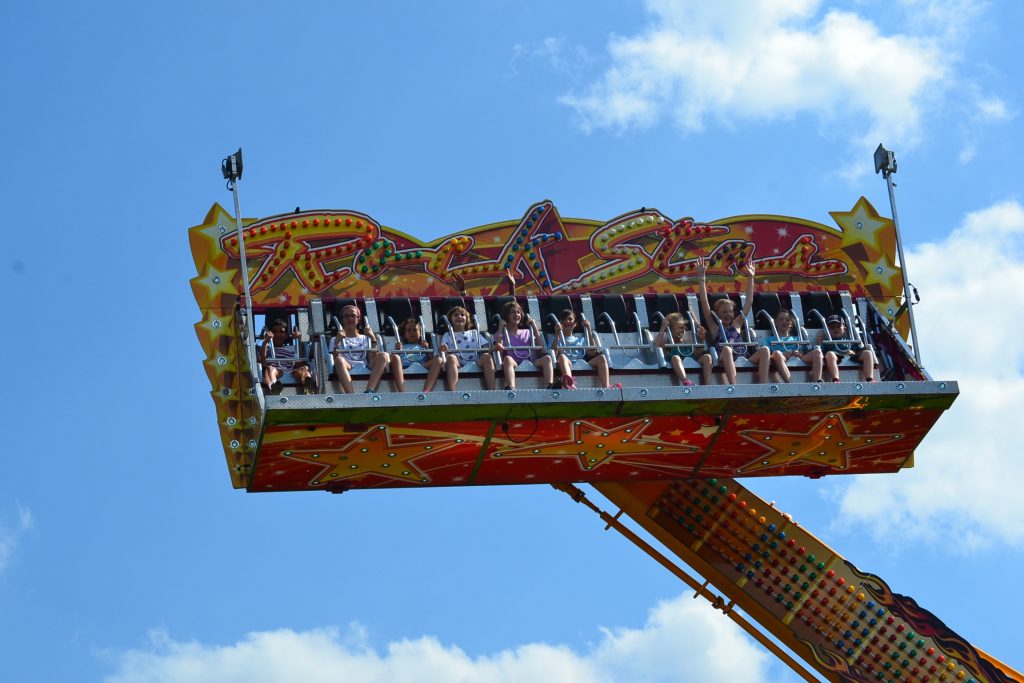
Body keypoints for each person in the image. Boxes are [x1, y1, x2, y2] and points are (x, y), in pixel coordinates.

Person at [696, 257, 771, 384]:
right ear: (718, 314)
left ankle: (763, 384)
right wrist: (701, 277)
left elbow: (749, 302)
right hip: (722, 358)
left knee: (765, 350)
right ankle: (734, 384)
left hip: (743, 357)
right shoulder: (715, 328)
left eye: (730, 311)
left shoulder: (736, 324)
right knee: (727, 349)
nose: (728, 314)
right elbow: (704, 302)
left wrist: (751, 277)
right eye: (724, 312)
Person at [494, 300, 554, 390]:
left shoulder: (527, 332)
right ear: (507, 315)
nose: (516, 315)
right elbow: (499, 348)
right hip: (514, 363)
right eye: (513, 312)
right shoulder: (501, 333)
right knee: (507, 359)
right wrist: (500, 328)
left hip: (531, 361)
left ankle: (550, 385)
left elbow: (541, 349)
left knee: (547, 358)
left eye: (518, 312)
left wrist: (533, 326)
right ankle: (511, 386)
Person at [435, 305, 496, 390]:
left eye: (462, 315)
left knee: (487, 357)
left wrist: (493, 348)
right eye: (456, 315)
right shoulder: (447, 335)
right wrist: (443, 348)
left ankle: (492, 389)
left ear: (467, 319)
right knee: (451, 357)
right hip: (458, 362)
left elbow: (486, 347)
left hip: (476, 360)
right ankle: (453, 392)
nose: (459, 317)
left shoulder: (474, 333)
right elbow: (443, 349)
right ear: (450, 320)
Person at [330, 304, 388, 393]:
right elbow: (334, 360)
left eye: (353, 316)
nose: (349, 319)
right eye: (346, 316)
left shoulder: (366, 338)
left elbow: (372, 358)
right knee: (339, 360)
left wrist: (372, 338)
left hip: (366, 364)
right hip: (347, 366)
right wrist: (337, 342)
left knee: (384, 355)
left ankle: (369, 390)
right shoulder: (335, 339)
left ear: (358, 319)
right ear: (342, 320)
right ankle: (351, 395)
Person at [550, 309, 612, 389]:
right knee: (562, 356)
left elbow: (592, 352)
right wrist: (557, 333)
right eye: (564, 320)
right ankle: (569, 382)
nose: (567, 321)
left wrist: (588, 329)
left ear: (575, 324)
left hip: (581, 362)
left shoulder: (581, 339)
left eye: (570, 319)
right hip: (566, 363)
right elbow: (554, 354)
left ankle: (606, 387)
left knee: (602, 358)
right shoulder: (554, 338)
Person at [762, 309, 823, 382]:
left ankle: (817, 381)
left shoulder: (797, 338)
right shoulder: (769, 340)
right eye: (781, 319)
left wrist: (799, 354)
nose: (784, 321)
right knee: (777, 353)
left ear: (791, 323)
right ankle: (789, 383)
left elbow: (803, 351)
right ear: (775, 322)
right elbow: (766, 356)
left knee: (817, 352)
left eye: (787, 320)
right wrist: (784, 354)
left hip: (798, 357)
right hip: (780, 358)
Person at [654, 312, 712, 386]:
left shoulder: (687, 342)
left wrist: (702, 340)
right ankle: (686, 381)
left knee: (707, 357)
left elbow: (697, 355)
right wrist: (662, 329)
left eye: (682, 328)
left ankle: (708, 384)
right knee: (675, 357)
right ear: (670, 330)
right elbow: (657, 348)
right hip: (675, 361)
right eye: (677, 328)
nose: (680, 330)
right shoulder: (668, 343)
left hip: (691, 359)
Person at [259, 317, 314, 394]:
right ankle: (274, 388)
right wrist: (265, 342)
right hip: (276, 372)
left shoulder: (293, 348)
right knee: (270, 368)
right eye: (275, 332)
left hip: (292, 371)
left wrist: (298, 340)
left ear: (285, 335)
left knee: (304, 368)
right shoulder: (267, 349)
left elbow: (299, 363)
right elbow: (263, 362)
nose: (278, 334)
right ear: (271, 333)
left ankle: (308, 387)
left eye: (281, 332)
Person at [816, 314, 876, 382]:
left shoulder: (849, 339)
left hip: (850, 355)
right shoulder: (826, 341)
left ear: (844, 328)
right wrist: (819, 343)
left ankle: (869, 378)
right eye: (832, 327)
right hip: (836, 356)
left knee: (867, 353)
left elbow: (858, 349)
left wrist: (853, 352)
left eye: (838, 326)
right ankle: (835, 379)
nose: (835, 329)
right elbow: (821, 353)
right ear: (827, 330)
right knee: (830, 354)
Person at [388, 317, 440, 392]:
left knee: (438, 359)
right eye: (408, 331)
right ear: (405, 335)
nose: (412, 332)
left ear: (420, 333)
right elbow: (392, 361)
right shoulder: (402, 347)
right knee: (395, 357)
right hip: (404, 366)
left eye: (415, 330)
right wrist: (397, 350)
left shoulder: (423, 346)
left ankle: (426, 390)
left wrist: (427, 348)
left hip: (422, 365)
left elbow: (431, 358)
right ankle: (402, 392)